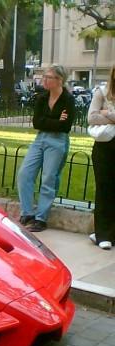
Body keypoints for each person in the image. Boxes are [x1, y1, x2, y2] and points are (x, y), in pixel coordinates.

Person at [17, 65, 75, 232]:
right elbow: (37, 122)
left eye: (49, 77)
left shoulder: (68, 100)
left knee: (49, 178)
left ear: (59, 80)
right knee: (25, 174)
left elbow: (65, 126)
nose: (45, 80)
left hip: (58, 141)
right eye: (45, 76)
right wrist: (56, 120)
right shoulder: (42, 98)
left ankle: (41, 218)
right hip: (40, 137)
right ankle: (27, 213)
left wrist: (52, 121)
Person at [87, 65, 115, 249]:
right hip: (105, 147)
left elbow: (99, 115)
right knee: (104, 189)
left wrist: (107, 113)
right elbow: (91, 118)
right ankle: (102, 234)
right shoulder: (102, 93)